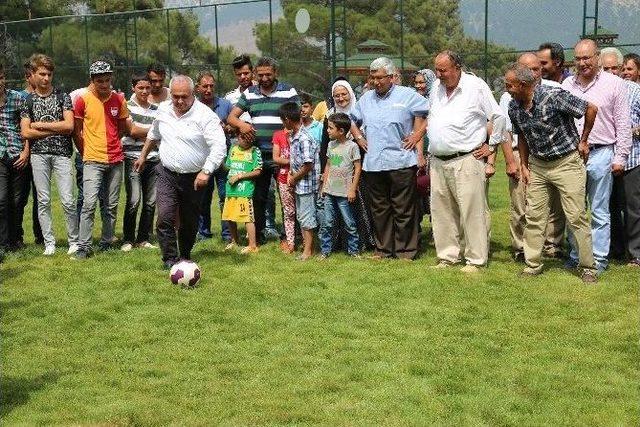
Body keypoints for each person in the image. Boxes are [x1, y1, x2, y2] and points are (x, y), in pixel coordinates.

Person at [505, 63, 599, 283]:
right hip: (538, 165)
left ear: (523, 84)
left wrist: (584, 141)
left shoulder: (553, 96)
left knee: (576, 216)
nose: (507, 88)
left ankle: (588, 268)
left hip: (567, 162)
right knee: (534, 216)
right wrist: (525, 166)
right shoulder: (514, 106)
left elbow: (590, 108)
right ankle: (533, 264)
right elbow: (522, 137)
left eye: (509, 85)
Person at [134, 75, 226, 269]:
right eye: (175, 96)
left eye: (184, 96)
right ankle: (169, 260)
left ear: (193, 94)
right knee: (165, 217)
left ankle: (184, 255)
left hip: (194, 178)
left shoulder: (205, 116)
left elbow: (219, 147)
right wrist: (143, 156)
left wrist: (206, 172)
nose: (179, 101)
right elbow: (154, 134)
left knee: (189, 221)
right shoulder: (164, 110)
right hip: (166, 173)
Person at [427, 51, 505, 271]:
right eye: (437, 69)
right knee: (442, 211)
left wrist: (491, 146)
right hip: (438, 159)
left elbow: (498, 116)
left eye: (443, 70)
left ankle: (476, 259)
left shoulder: (476, 86)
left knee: (472, 211)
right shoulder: (435, 88)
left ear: (457, 67)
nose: (439, 74)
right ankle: (448, 256)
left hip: (466, 158)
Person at [562, 39, 632, 274]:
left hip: (602, 153)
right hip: (572, 156)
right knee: (574, 209)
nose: (582, 63)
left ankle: (599, 259)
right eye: (578, 59)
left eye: (587, 58)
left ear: (597, 58)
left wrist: (620, 157)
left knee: (600, 211)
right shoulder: (567, 84)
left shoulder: (614, 84)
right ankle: (576, 255)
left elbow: (623, 124)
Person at [350, 57, 429, 260]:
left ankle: (406, 251)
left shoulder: (407, 95)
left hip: (401, 161)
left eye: (380, 77)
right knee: (379, 209)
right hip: (374, 163)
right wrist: (359, 138)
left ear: (392, 77)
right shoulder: (366, 99)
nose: (376, 82)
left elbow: (431, 112)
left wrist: (417, 136)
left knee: (403, 209)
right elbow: (351, 119)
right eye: (373, 77)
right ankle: (383, 249)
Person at [498, 52, 564, 261]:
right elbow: (505, 131)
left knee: (554, 204)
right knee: (520, 203)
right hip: (520, 153)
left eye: (536, 69)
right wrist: (510, 161)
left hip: (550, 155)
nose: (532, 73)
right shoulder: (508, 96)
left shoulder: (555, 90)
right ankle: (520, 247)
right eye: (527, 70)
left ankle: (552, 246)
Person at [227, 57, 300, 243]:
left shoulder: (288, 91)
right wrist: (242, 125)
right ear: (255, 74)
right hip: (258, 154)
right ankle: (257, 236)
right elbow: (231, 118)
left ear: (275, 73)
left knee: (287, 196)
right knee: (257, 197)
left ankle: (289, 236)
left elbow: (296, 116)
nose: (264, 78)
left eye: (268, 74)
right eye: (260, 75)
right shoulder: (250, 93)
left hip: (283, 155)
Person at [19, 54, 78, 256]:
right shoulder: (27, 100)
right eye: (42, 74)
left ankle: (74, 241)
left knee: (68, 199)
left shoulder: (63, 96)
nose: (46, 78)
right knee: (42, 200)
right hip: (38, 155)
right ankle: (49, 243)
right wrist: (56, 128)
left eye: (49, 74)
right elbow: (26, 132)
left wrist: (41, 125)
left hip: (62, 154)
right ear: (33, 74)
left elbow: (69, 126)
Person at [72, 61, 129, 259]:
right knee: (89, 204)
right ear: (92, 80)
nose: (104, 84)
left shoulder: (119, 100)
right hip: (92, 160)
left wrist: (114, 143)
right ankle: (84, 246)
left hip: (115, 160)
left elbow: (122, 128)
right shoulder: (82, 100)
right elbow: (77, 131)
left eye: (107, 80)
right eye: (100, 81)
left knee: (111, 205)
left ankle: (107, 241)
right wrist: (86, 151)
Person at [321, 78, 375, 251]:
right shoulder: (329, 116)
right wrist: (324, 172)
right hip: (336, 172)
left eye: (344, 94)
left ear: (351, 94)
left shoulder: (361, 112)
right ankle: (337, 244)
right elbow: (325, 147)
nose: (341, 98)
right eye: (336, 95)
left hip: (359, 167)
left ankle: (363, 242)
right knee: (334, 209)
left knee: (359, 205)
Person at [599, 47, 640, 266]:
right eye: (606, 68)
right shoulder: (597, 90)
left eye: (616, 68)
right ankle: (615, 248)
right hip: (605, 158)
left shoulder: (634, 90)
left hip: (633, 158)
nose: (611, 72)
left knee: (633, 208)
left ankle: (635, 252)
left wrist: (634, 130)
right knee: (608, 207)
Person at [120, 72, 159, 252]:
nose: (144, 91)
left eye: (147, 87)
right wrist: (152, 131)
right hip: (132, 159)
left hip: (154, 160)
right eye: (140, 87)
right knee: (134, 199)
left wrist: (147, 132)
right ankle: (128, 238)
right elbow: (132, 131)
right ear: (133, 88)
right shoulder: (126, 106)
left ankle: (143, 238)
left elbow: (159, 134)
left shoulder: (157, 109)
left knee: (150, 202)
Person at [195, 71, 233, 243]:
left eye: (211, 86)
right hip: (202, 158)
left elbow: (236, 126)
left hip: (223, 158)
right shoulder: (193, 106)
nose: (208, 89)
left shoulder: (225, 105)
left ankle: (227, 233)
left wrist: (228, 128)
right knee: (203, 197)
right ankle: (203, 232)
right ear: (197, 88)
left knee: (225, 196)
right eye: (205, 86)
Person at [280, 102, 320, 261]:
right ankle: (308, 248)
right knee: (303, 217)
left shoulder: (303, 138)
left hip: (306, 185)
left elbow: (307, 165)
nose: (282, 123)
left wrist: (293, 178)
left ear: (288, 119)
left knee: (307, 217)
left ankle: (308, 251)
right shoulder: (294, 136)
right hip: (299, 184)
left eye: (283, 120)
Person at [319, 112, 361, 258]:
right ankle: (325, 251)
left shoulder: (352, 147)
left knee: (349, 223)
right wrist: (324, 186)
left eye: (330, 128)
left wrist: (352, 189)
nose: (327, 131)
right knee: (327, 223)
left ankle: (354, 251)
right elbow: (328, 166)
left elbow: (357, 168)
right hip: (330, 192)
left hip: (345, 193)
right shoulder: (331, 145)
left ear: (341, 131)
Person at [0, 62, 31, 256]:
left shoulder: (17, 98)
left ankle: (16, 238)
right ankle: (3, 243)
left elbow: (26, 128)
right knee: (2, 200)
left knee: (18, 201)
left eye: (1, 78)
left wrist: (26, 152)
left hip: (18, 153)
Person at [221, 134, 263, 254]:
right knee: (229, 216)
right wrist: (220, 162)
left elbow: (258, 171)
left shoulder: (255, 151)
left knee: (247, 218)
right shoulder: (233, 149)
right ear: (238, 138)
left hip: (245, 190)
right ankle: (235, 242)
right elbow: (228, 167)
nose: (247, 140)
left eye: (249, 138)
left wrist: (239, 176)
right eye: (243, 137)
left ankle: (253, 245)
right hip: (230, 189)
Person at [19, 59, 44, 246]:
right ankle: (16, 237)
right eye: (37, 73)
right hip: (21, 155)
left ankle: (40, 236)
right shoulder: (20, 97)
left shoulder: (47, 96)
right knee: (19, 198)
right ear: (29, 77)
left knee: (40, 197)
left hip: (41, 154)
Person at [272, 128, 296, 253]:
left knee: (302, 213)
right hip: (283, 179)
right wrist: (291, 161)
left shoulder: (300, 134)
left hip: (300, 179)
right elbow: (276, 158)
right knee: (288, 212)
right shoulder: (278, 135)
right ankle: (290, 242)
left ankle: (305, 242)